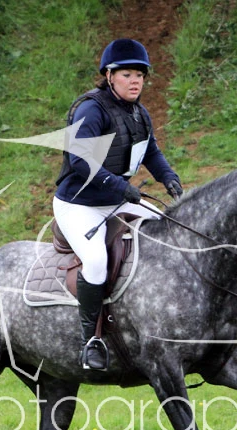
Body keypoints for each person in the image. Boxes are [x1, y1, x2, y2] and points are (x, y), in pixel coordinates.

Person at [53, 38, 184, 371]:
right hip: (79, 205)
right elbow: (81, 162)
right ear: (109, 76)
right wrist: (120, 186)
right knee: (96, 260)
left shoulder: (139, 113)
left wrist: (168, 177)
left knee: (166, 231)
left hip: (116, 200)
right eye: (127, 75)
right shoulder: (91, 110)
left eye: (140, 75)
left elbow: (151, 152)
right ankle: (91, 341)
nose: (135, 81)